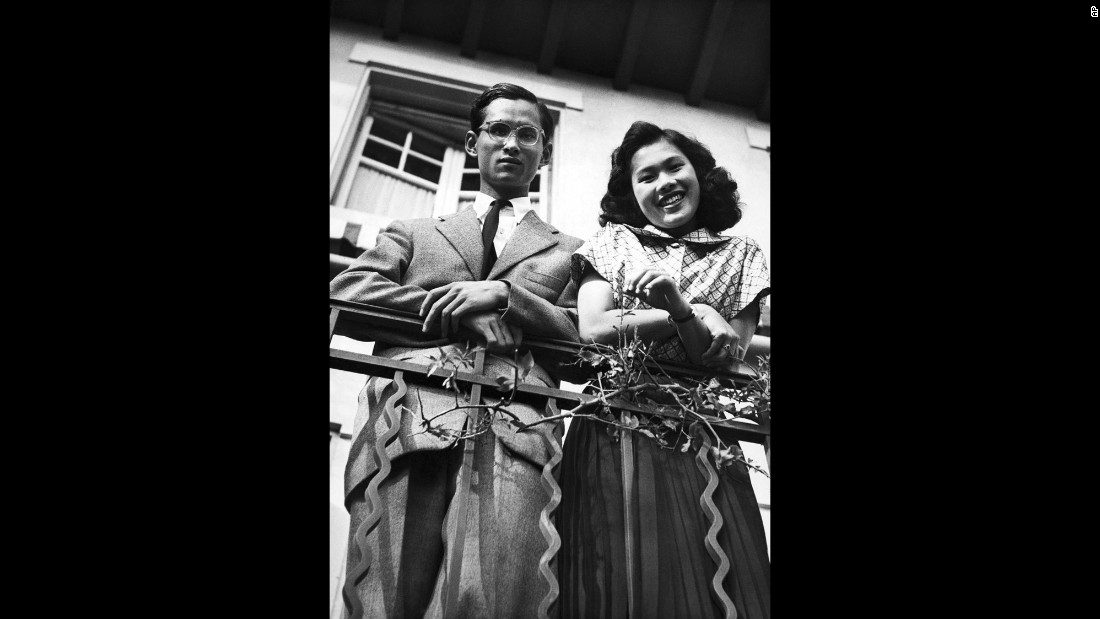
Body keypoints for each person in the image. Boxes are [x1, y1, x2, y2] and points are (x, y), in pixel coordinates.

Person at [330, 83, 583, 618]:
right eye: (498, 130)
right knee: (382, 595)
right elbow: (346, 294)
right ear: (472, 143)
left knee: (493, 600)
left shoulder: (571, 252)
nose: (511, 144)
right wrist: (461, 309)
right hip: (406, 420)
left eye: (527, 133)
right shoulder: (415, 230)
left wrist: (510, 300)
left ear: (544, 151)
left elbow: (587, 344)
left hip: (519, 436)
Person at [558, 121, 771, 618]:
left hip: (704, 429)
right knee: (620, 568)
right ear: (633, 193)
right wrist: (687, 311)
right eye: (646, 176)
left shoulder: (744, 255)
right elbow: (593, 328)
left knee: (719, 570)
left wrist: (679, 306)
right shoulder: (613, 241)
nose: (665, 183)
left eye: (675, 166)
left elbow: (724, 355)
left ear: (700, 173)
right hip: (617, 422)